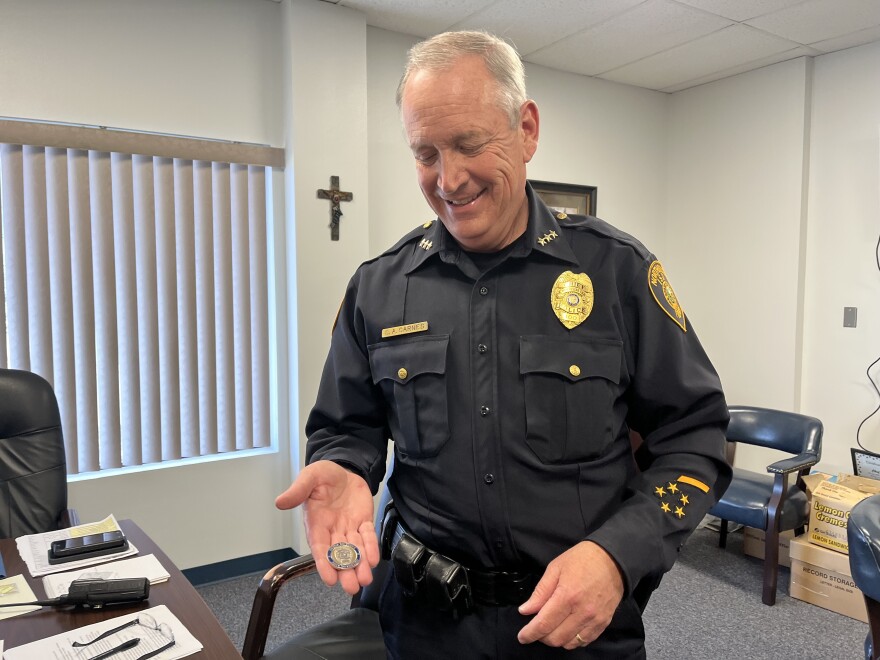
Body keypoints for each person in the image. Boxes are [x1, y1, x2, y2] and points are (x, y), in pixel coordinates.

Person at [276, 30, 731, 659]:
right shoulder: (379, 288)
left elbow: (697, 437)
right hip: (422, 622)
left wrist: (618, 554)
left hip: (575, 623)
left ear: (527, 129)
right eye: (425, 153)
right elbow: (344, 426)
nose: (449, 178)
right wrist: (344, 465)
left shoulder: (616, 273)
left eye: (468, 144)